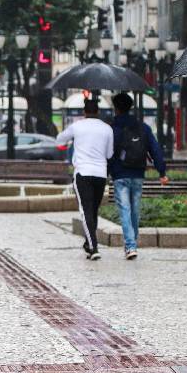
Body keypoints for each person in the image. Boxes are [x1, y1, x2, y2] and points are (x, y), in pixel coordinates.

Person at [109, 93, 168, 260]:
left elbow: (108, 153)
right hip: (138, 173)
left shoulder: (114, 128)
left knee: (125, 210)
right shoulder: (143, 127)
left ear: (117, 108)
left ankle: (130, 246)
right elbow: (155, 150)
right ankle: (132, 243)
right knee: (134, 210)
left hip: (120, 174)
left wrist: (107, 172)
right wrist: (161, 172)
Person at [56, 99, 114, 261]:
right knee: (93, 210)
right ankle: (89, 243)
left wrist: (73, 141)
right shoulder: (107, 129)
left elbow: (59, 139)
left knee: (85, 210)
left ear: (84, 112)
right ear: (98, 111)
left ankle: (93, 246)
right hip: (100, 174)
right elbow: (109, 154)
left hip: (82, 173)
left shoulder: (77, 126)